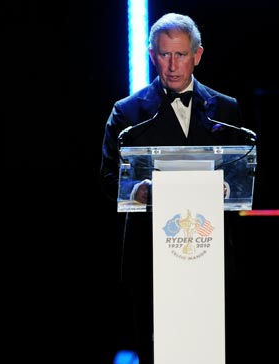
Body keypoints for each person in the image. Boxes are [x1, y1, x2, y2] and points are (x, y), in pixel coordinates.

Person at [99, 13, 253, 364]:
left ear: (197, 55)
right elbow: (109, 180)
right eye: (164, 55)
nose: (172, 65)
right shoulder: (128, 113)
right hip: (150, 259)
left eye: (180, 55)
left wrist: (223, 189)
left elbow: (241, 176)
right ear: (152, 55)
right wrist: (142, 190)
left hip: (209, 257)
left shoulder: (226, 110)